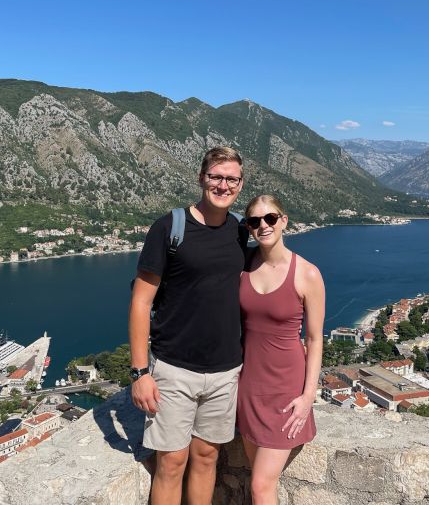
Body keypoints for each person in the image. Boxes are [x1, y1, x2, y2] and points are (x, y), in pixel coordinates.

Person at [129, 146, 246, 505]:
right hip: (174, 369)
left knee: (207, 457)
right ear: (201, 178)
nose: (223, 185)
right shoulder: (169, 228)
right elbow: (140, 302)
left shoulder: (240, 230)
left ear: (240, 184)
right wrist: (140, 373)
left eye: (231, 179)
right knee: (171, 463)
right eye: (216, 177)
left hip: (225, 370)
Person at [237, 194, 325, 505]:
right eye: (255, 221)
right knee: (256, 478)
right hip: (248, 387)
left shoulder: (307, 274)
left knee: (261, 486)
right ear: (249, 227)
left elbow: (314, 339)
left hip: (285, 390)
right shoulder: (243, 266)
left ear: (284, 221)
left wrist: (308, 396)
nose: (263, 225)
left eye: (270, 218)